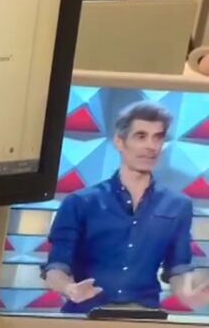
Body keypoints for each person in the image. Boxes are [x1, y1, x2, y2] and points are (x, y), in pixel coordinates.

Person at [42, 102, 209, 313]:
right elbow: (56, 266)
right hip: (85, 316)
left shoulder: (178, 205)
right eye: (141, 136)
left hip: (142, 316)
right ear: (119, 142)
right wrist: (69, 289)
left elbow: (177, 266)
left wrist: (188, 295)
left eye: (158, 137)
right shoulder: (80, 202)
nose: (151, 146)